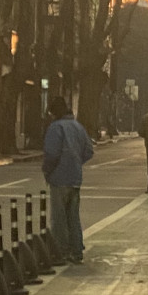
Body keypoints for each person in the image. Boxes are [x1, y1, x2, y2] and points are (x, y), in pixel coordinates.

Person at [43, 97, 96, 264]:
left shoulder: (55, 127)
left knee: (59, 218)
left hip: (59, 178)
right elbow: (88, 151)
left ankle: (61, 251)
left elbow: (51, 154)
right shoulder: (78, 126)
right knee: (73, 216)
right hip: (75, 177)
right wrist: (76, 162)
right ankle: (76, 249)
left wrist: (48, 170)